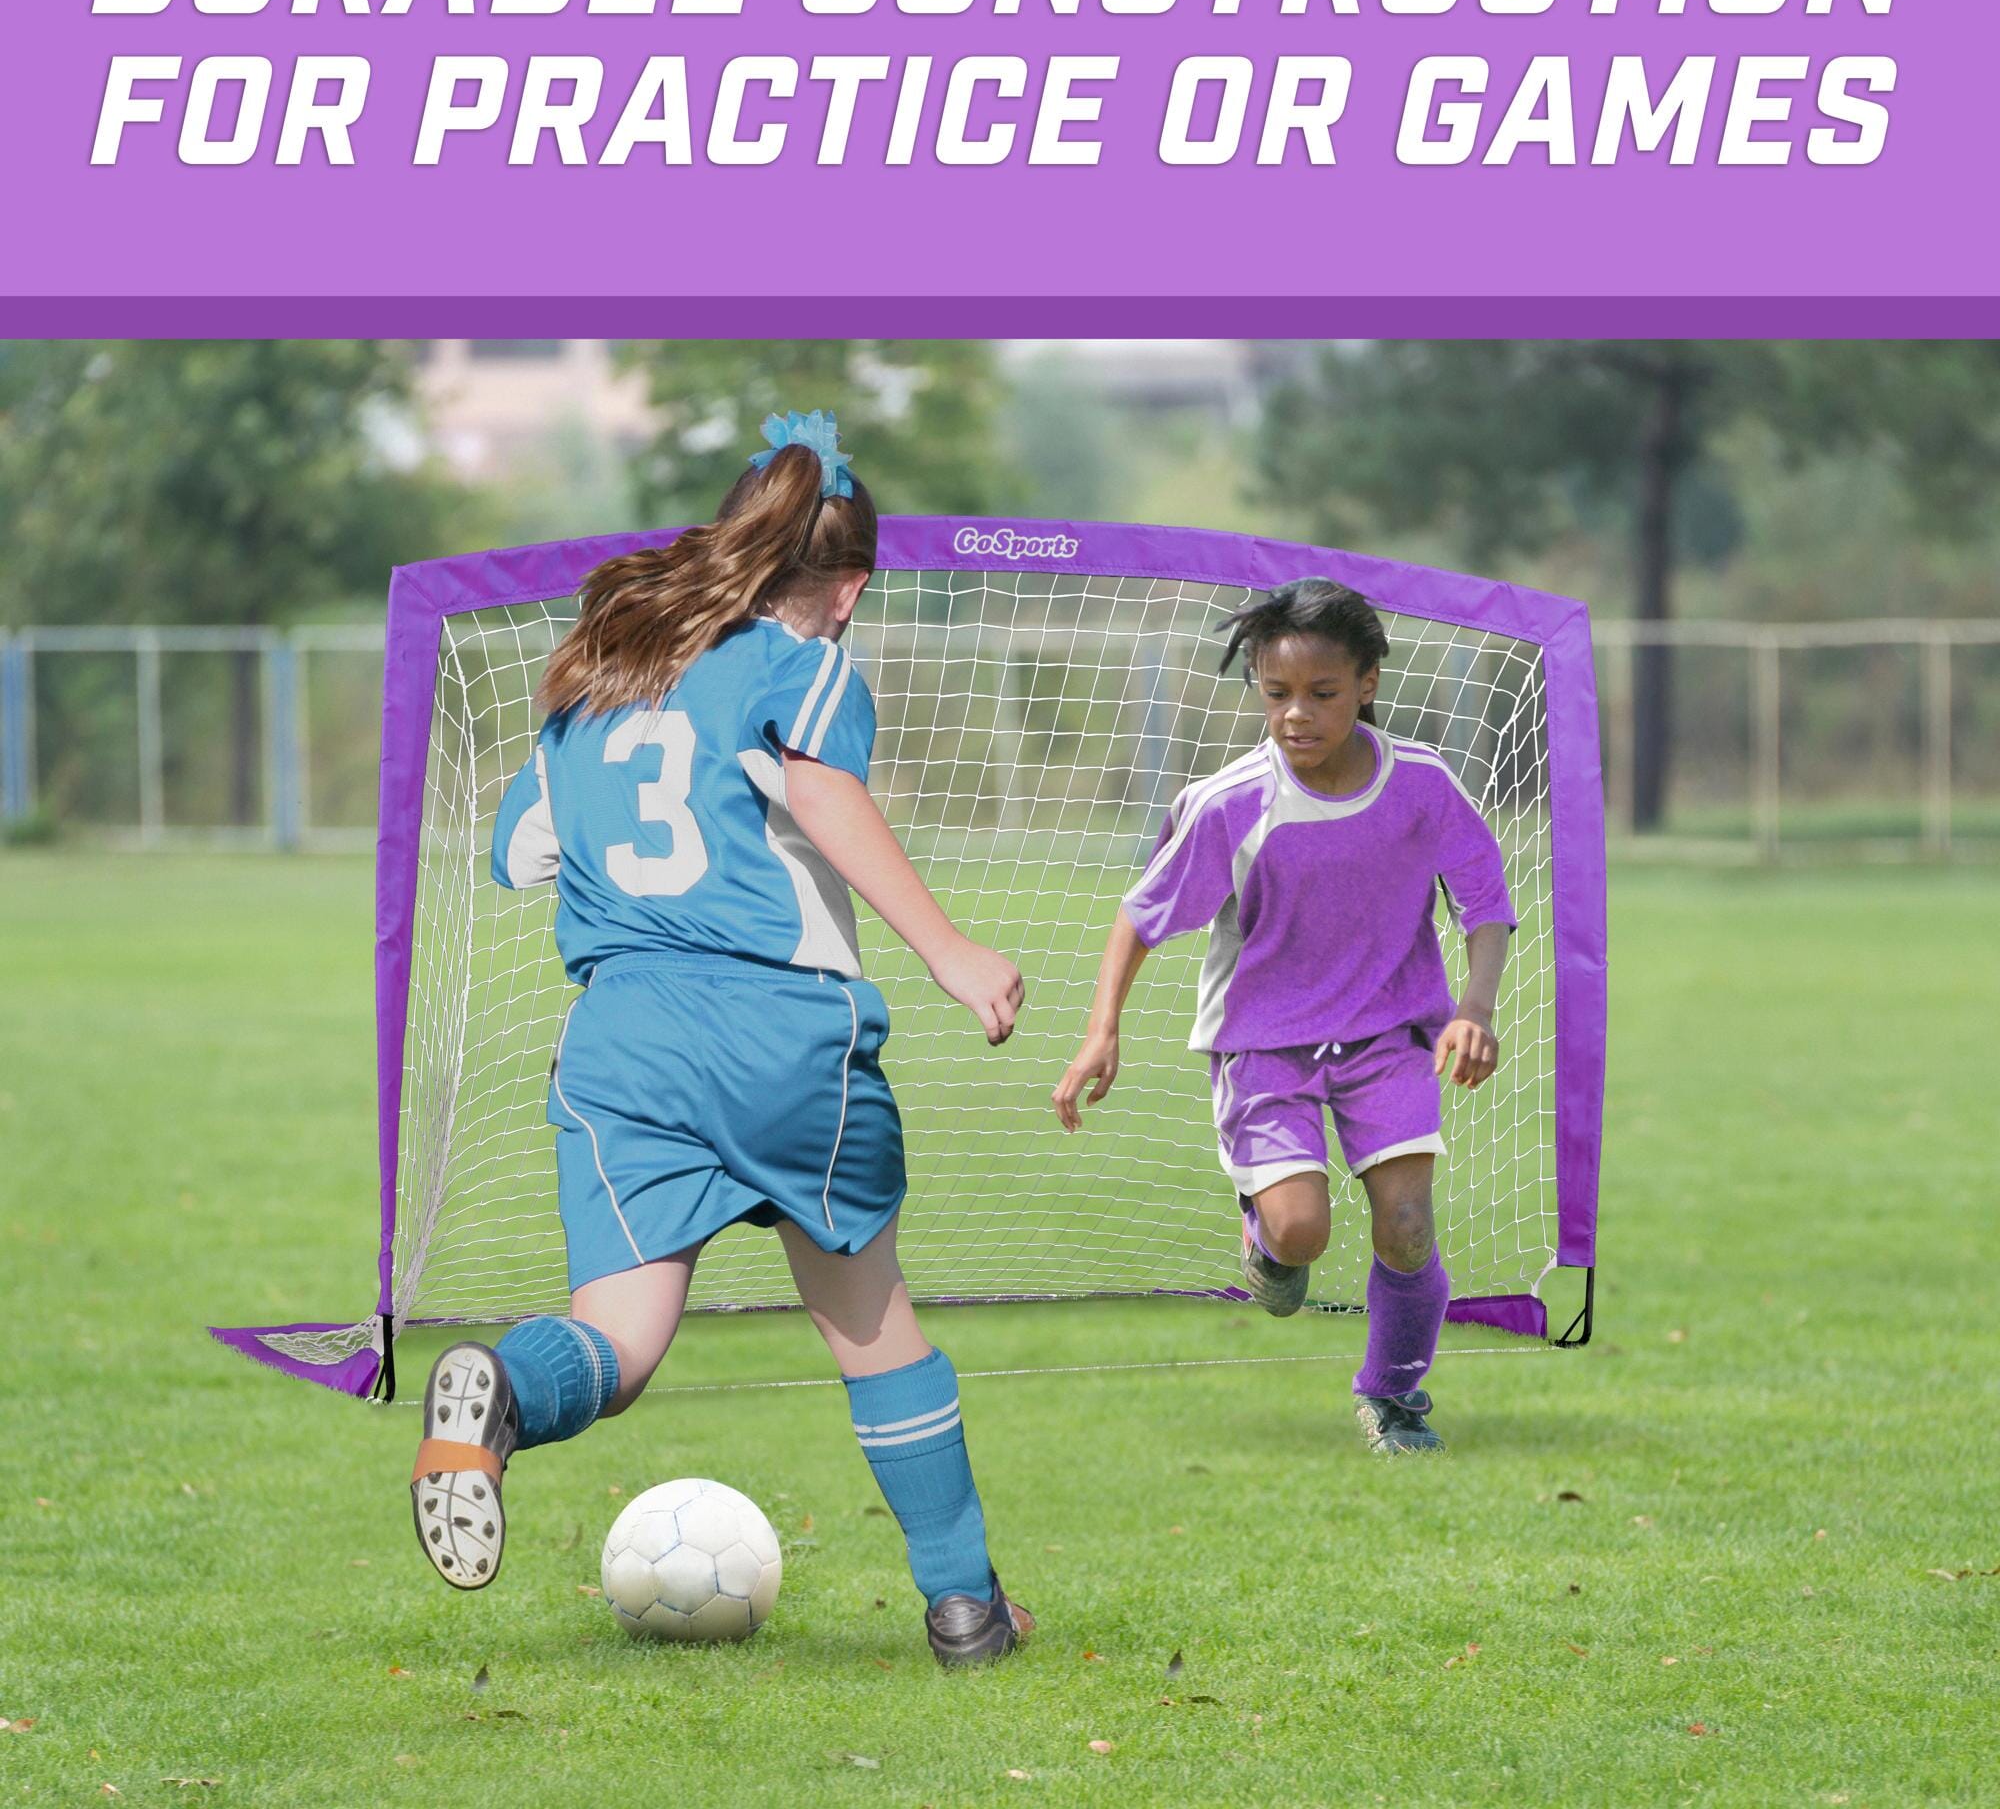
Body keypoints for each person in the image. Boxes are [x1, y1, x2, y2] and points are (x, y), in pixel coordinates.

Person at [410, 412, 1032, 1664]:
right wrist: (949, 950)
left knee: (621, 1342)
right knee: (871, 1326)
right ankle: (965, 1607)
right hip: (778, 1030)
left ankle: (503, 1393)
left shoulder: (601, 677)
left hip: (621, 1038)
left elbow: (520, 851)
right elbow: (820, 787)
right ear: (847, 586)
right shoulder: (803, 662)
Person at [1051, 578, 1514, 1454]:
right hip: (1264, 1045)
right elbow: (1140, 917)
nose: (1296, 714)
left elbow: (1486, 904)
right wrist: (1102, 1030)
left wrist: (1475, 1007)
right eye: (1276, 694)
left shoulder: (1422, 785)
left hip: (1390, 1036)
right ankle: (1268, 1240)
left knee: (1408, 1225)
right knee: (1301, 1233)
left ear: (1367, 684)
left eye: (1322, 693)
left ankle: (1393, 1397)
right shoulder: (1231, 802)